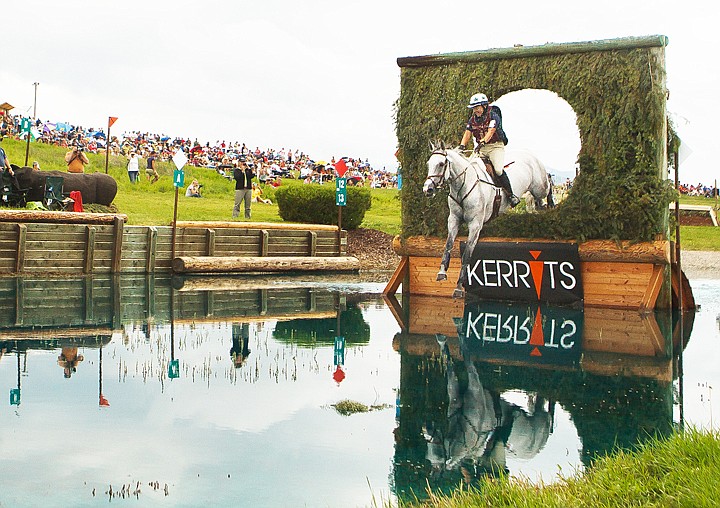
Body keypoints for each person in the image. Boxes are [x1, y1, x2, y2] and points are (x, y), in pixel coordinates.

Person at [458, 93, 519, 207]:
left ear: (484, 106)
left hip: (495, 147)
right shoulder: (472, 120)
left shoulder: (493, 116)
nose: (475, 110)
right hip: (482, 148)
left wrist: (482, 142)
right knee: (472, 167)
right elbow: (467, 133)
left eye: (477, 107)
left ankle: (511, 195)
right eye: (474, 108)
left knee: (498, 170)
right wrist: (462, 146)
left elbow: (491, 131)